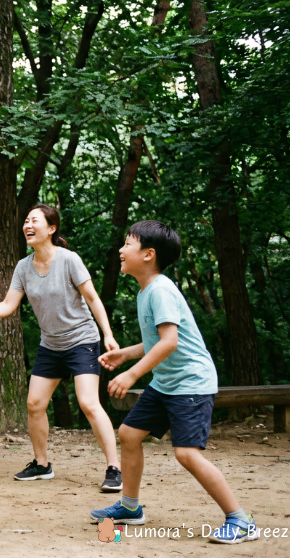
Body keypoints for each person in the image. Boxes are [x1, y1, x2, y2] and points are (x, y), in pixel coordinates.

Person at [90, 221, 256, 544]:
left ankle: (240, 519)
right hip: (168, 383)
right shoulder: (146, 291)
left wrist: (132, 373)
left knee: (186, 454)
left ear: (148, 254)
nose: (121, 251)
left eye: (127, 244)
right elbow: (155, 341)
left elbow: (170, 342)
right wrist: (125, 354)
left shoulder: (161, 290)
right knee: (128, 434)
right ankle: (130, 506)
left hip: (191, 383)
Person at [0, 204, 123, 492]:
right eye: (26, 220)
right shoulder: (23, 267)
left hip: (82, 341)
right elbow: (8, 305)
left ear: (51, 228)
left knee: (88, 403)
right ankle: (42, 464)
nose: (28, 224)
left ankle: (114, 468)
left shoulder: (69, 260)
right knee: (34, 404)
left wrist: (108, 334)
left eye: (34, 220)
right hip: (51, 345)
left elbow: (93, 298)